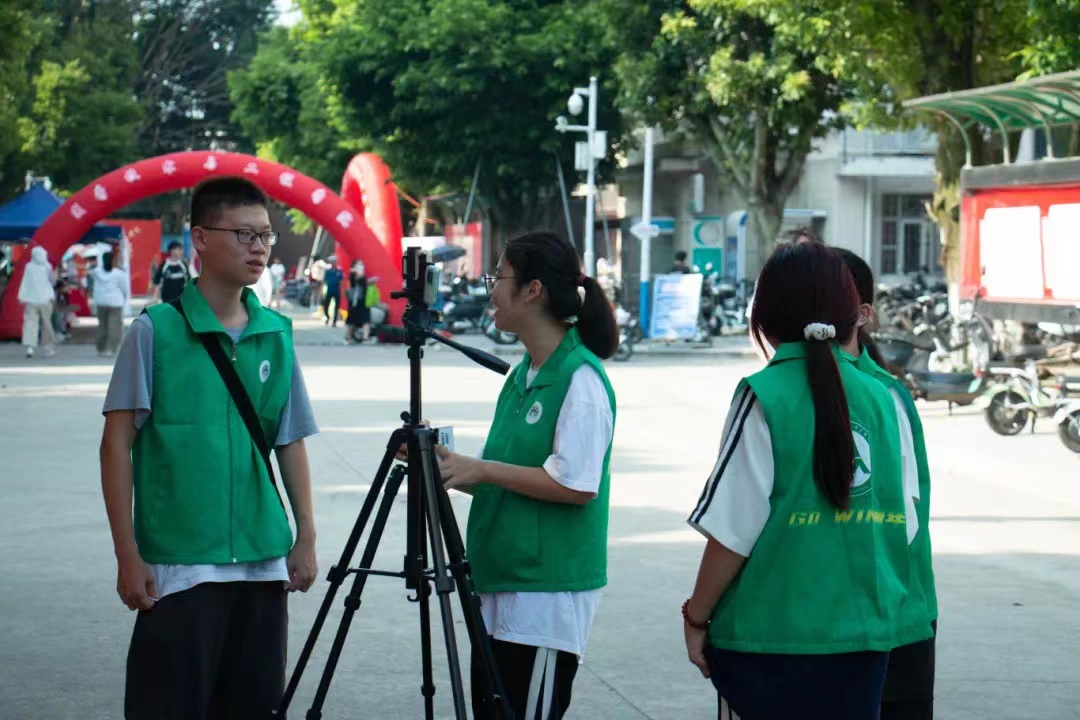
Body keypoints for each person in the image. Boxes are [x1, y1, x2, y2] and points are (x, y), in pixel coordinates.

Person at [98, 176, 320, 719]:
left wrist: (306, 535)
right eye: (244, 235)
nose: (260, 248)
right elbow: (116, 444)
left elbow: (289, 440)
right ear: (199, 238)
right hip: (182, 565)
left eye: (265, 236)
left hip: (263, 562)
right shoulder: (154, 332)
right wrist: (127, 553)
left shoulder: (276, 334)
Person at [682, 241, 930, 719]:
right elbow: (907, 525)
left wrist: (696, 616)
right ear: (850, 313)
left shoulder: (763, 394)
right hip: (862, 645)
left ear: (765, 317)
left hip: (767, 642)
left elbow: (733, 531)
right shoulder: (885, 397)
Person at [435, 231, 619, 720]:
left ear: (532, 290)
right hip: (504, 580)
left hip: (544, 596)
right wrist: (446, 466)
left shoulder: (580, 378)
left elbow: (575, 485)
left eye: (499, 277)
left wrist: (483, 468)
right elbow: (499, 476)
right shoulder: (524, 373)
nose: (491, 289)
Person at [836, 248, 938, 720]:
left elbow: (902, 522)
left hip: (886, 614)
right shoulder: (781, 389)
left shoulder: (880, 395)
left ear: (863, 314)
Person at [17, 246, 57, 358]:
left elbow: (25, 282)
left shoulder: (28, 267)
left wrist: (22, 296)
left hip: (31, 299)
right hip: (46, 299)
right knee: (46, 323)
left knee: (30, 323)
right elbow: (52, 281)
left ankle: (30, 347)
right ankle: (47, 347)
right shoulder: (47, 267)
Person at [92, 252, 131, 357]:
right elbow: (124, 288)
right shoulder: (118, 274)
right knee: (114, 326)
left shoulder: (96, 272)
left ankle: (101, 347)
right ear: (113, 260)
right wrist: (124, 298)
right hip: (115, 302)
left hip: (101, 301)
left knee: (102, 325)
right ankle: (111, 348)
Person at [345, 260, 371, 343]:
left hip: (363, 301)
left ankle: (365, 338)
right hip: (354, 301)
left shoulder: (363, 274)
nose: (361, 266)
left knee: (365, 320)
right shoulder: (353, 273)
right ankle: (348, 337)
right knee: (352, 320)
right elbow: (354, 281)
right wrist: (357, 272)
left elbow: (364, 283)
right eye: (359, 264)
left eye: (361, 264)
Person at [321, 256, 344, 326]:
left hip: (336, 291)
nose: (333, 263)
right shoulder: (327, 271)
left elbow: (342, 282)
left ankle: (334, 321)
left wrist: (342, 292)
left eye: (334, 261)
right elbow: (324, 281)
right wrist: (322, 291)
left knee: (336, 307)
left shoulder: (339, 271)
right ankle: (327, 317)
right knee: (326, 306)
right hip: (329, 290)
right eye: (332, 261)